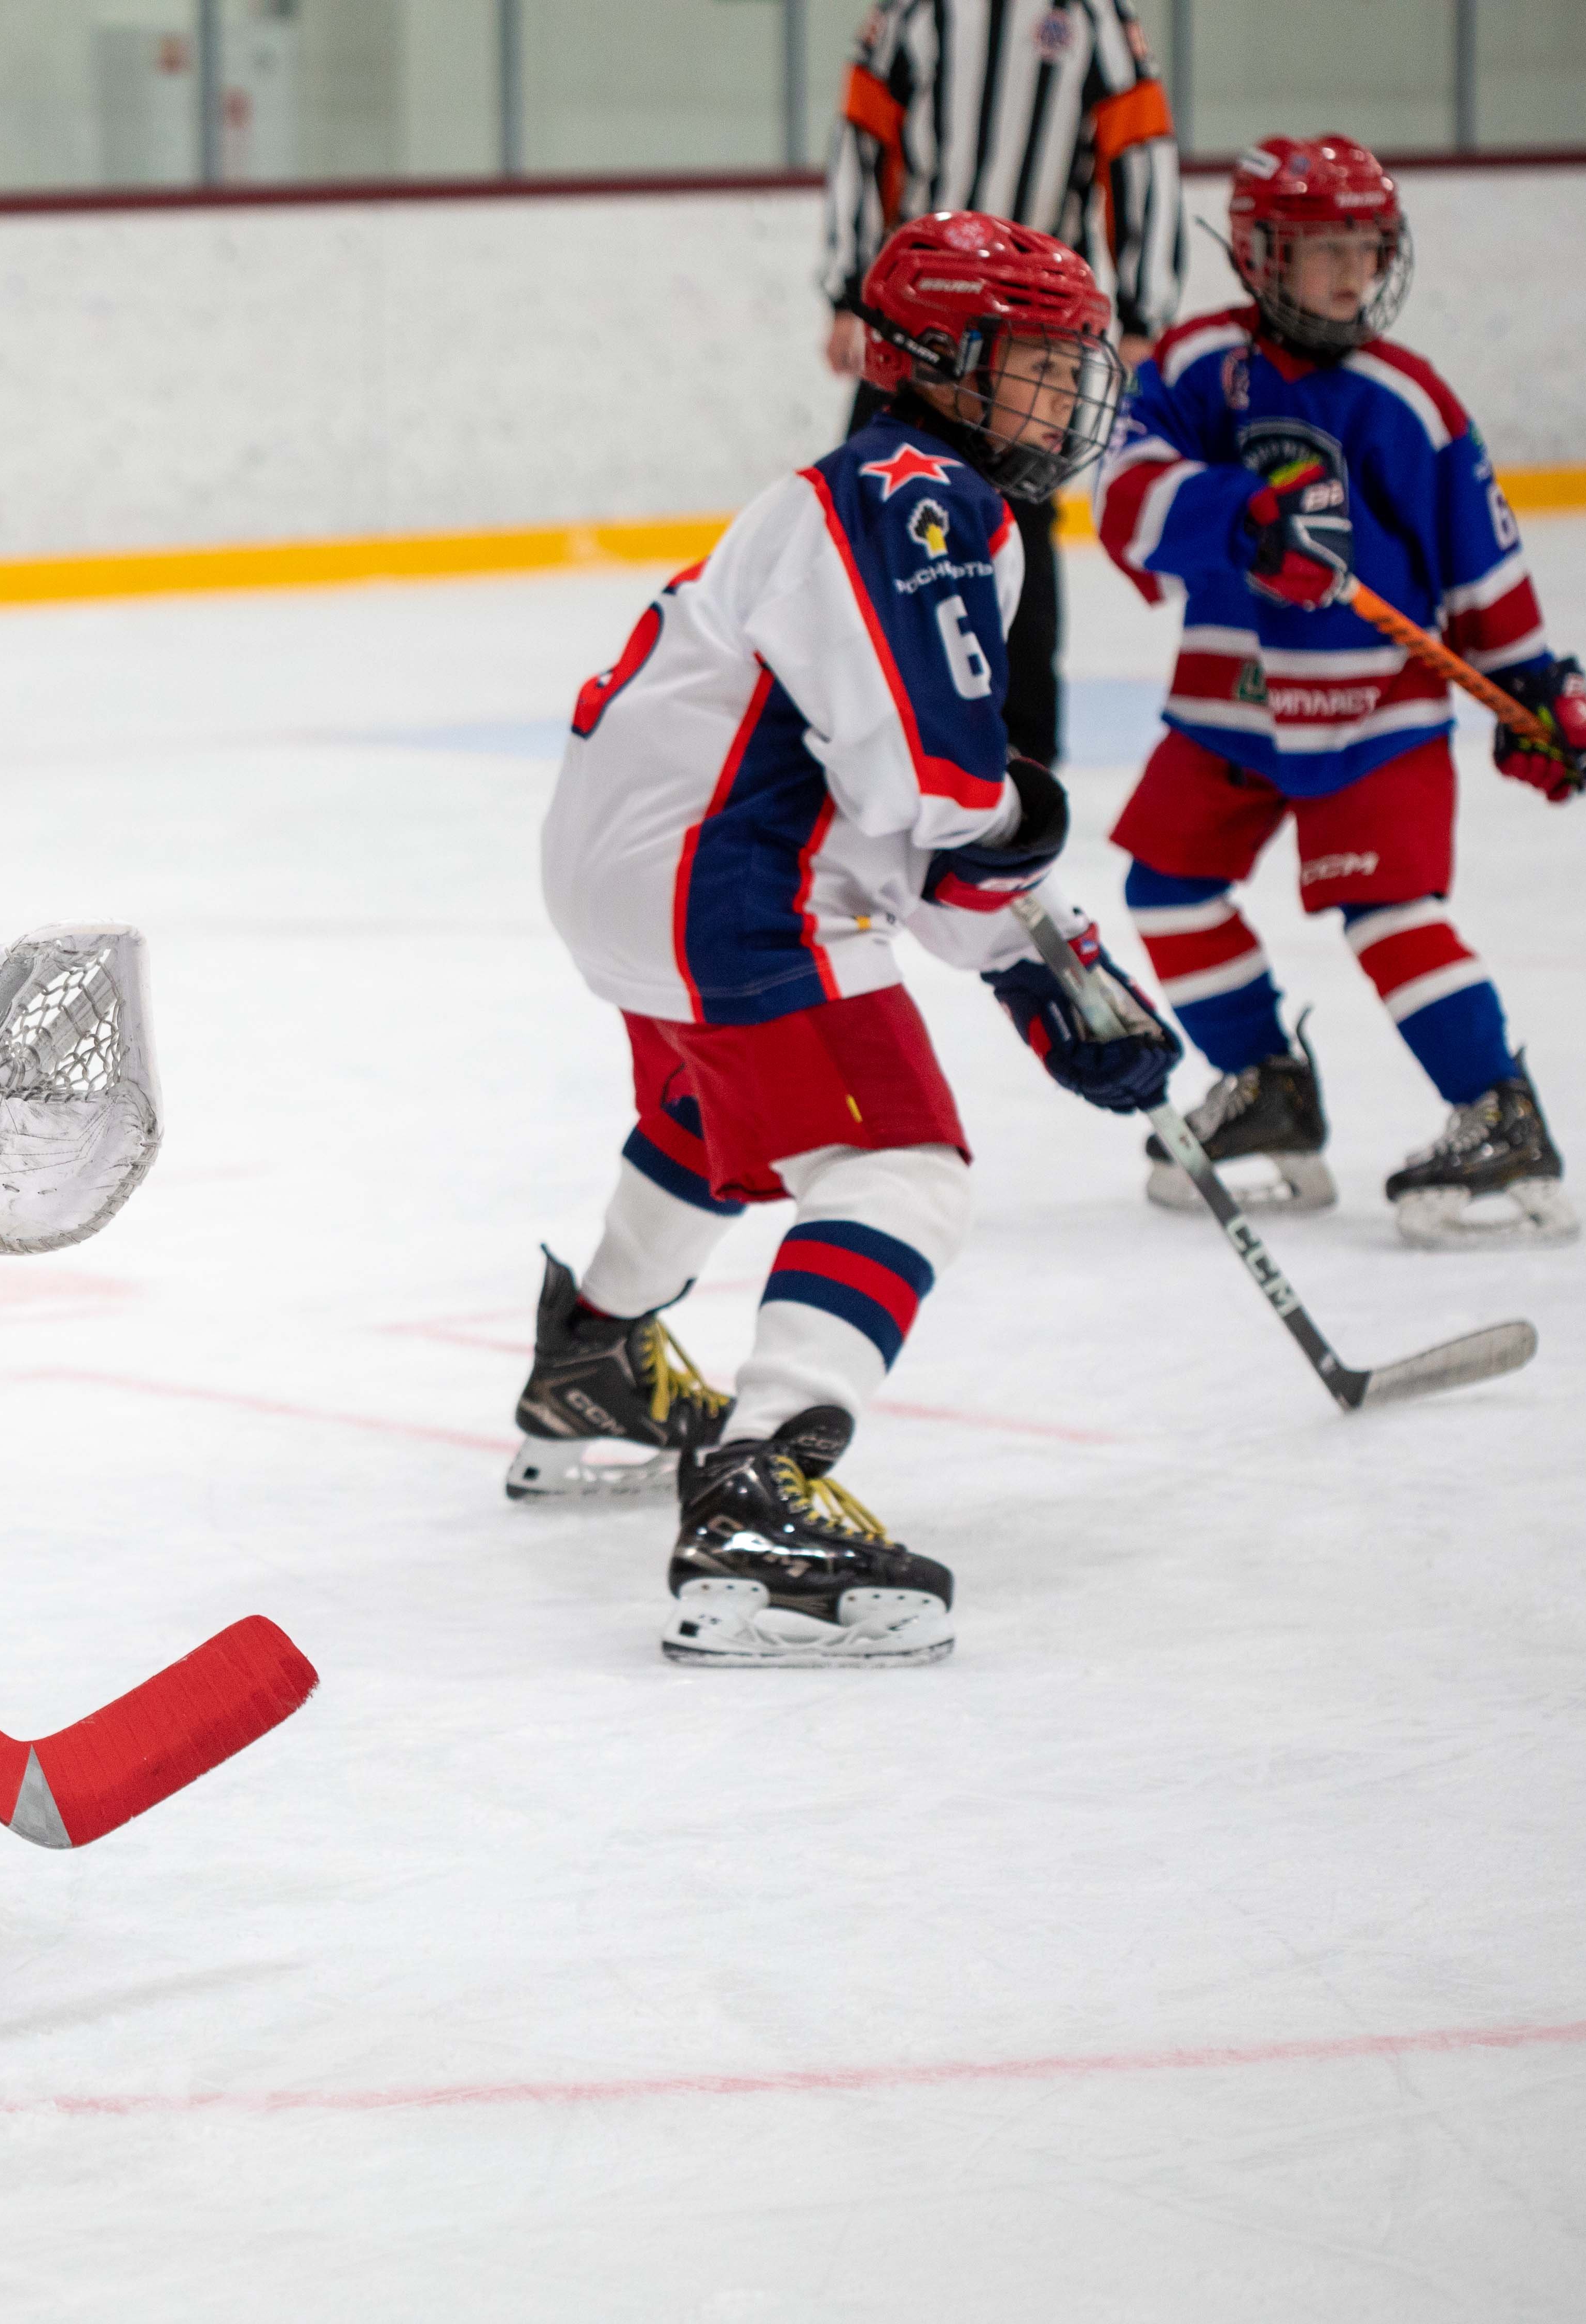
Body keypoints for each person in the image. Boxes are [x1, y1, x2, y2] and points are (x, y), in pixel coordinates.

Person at [518, 213, 1178, 1668]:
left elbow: (898, 828)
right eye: (1034, 366)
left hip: (625, 859)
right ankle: (759, 1493)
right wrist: (1044, 932)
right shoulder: (921, 497)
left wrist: (1033, 961)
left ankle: (596, 1363)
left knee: (712, 1113)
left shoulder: (864, 490)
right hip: (715, 871)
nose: (1066, 398)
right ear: (936, 364)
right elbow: (931, 794)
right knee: (899, 1165)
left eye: (1073, 365)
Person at [1090, 135, 1586, 1249]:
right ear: (1262, 252)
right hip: (1228, 703)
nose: (1353, 275)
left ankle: (1496, 1112)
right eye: (1327, 248)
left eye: (1369, 247)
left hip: (1376, 710)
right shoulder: (1195, 366)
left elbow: (1484, 566)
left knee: (1390, 908)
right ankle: (1264, 1083)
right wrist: (1236, 514)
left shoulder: (1404, 401)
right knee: (1166, 886)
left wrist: (1536, 688)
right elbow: (1123, 493)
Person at [819, 0, 1184, 769]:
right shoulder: (914, 11)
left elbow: (1140, 153)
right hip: (916, 320)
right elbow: (865, 136)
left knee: (1017, 524)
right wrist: (849, 290)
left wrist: (1146, 310)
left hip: (1035, 336)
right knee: (863, 513)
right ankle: (845, 724)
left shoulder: (1093, 18)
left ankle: (1020, 750)